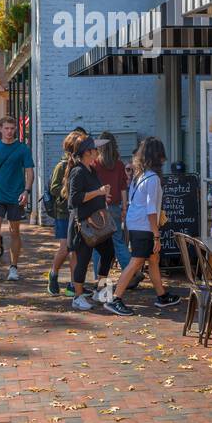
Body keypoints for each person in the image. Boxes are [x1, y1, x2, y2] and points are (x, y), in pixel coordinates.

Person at [105, 136, 183, 316]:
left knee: (153, 259)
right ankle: (115, 298)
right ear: (158, 156)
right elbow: (151, 209)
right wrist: (156, 235)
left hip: (135, 223)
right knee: (136, 262)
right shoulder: (153, 178)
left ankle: (162, 295)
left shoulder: (139, 175)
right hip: (144, 225)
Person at [65, 136, 115, 310]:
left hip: (98, 222)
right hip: (84, 224)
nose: (98, 151)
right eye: (95, 149)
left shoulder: (91, 170)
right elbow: (74, 199)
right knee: (83, 260)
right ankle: (77, 297)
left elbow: (93, 192)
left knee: (109, 252)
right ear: (87, 152)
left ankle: (100, 290)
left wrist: (103, 194)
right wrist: (98, 192)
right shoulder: (77, 171)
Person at [0, 114, 34, 283]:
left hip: (16, 194)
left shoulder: (22, 149)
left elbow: (29, 171)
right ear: (0, 129)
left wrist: (26, 191)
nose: (9, 132)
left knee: (14, 231)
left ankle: (13, 267)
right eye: (6, 128)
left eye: (12, 129)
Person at [45, 129, 86, 296]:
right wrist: (69, 192)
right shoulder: (61, 166)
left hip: (77, 212)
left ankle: (72, 284)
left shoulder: (81, 165)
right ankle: (53, 273)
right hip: (63, 213)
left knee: (74, 250)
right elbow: (54, 188)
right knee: (65, 248)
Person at [93, 131, 130, 277]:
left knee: (98, 245)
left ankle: (98, 277)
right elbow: (123, 187)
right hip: (114, 207)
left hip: (98, 208)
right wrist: (124, 208)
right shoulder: (119, 164)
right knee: (119, 242)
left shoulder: (95, 164)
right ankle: (129, 274)